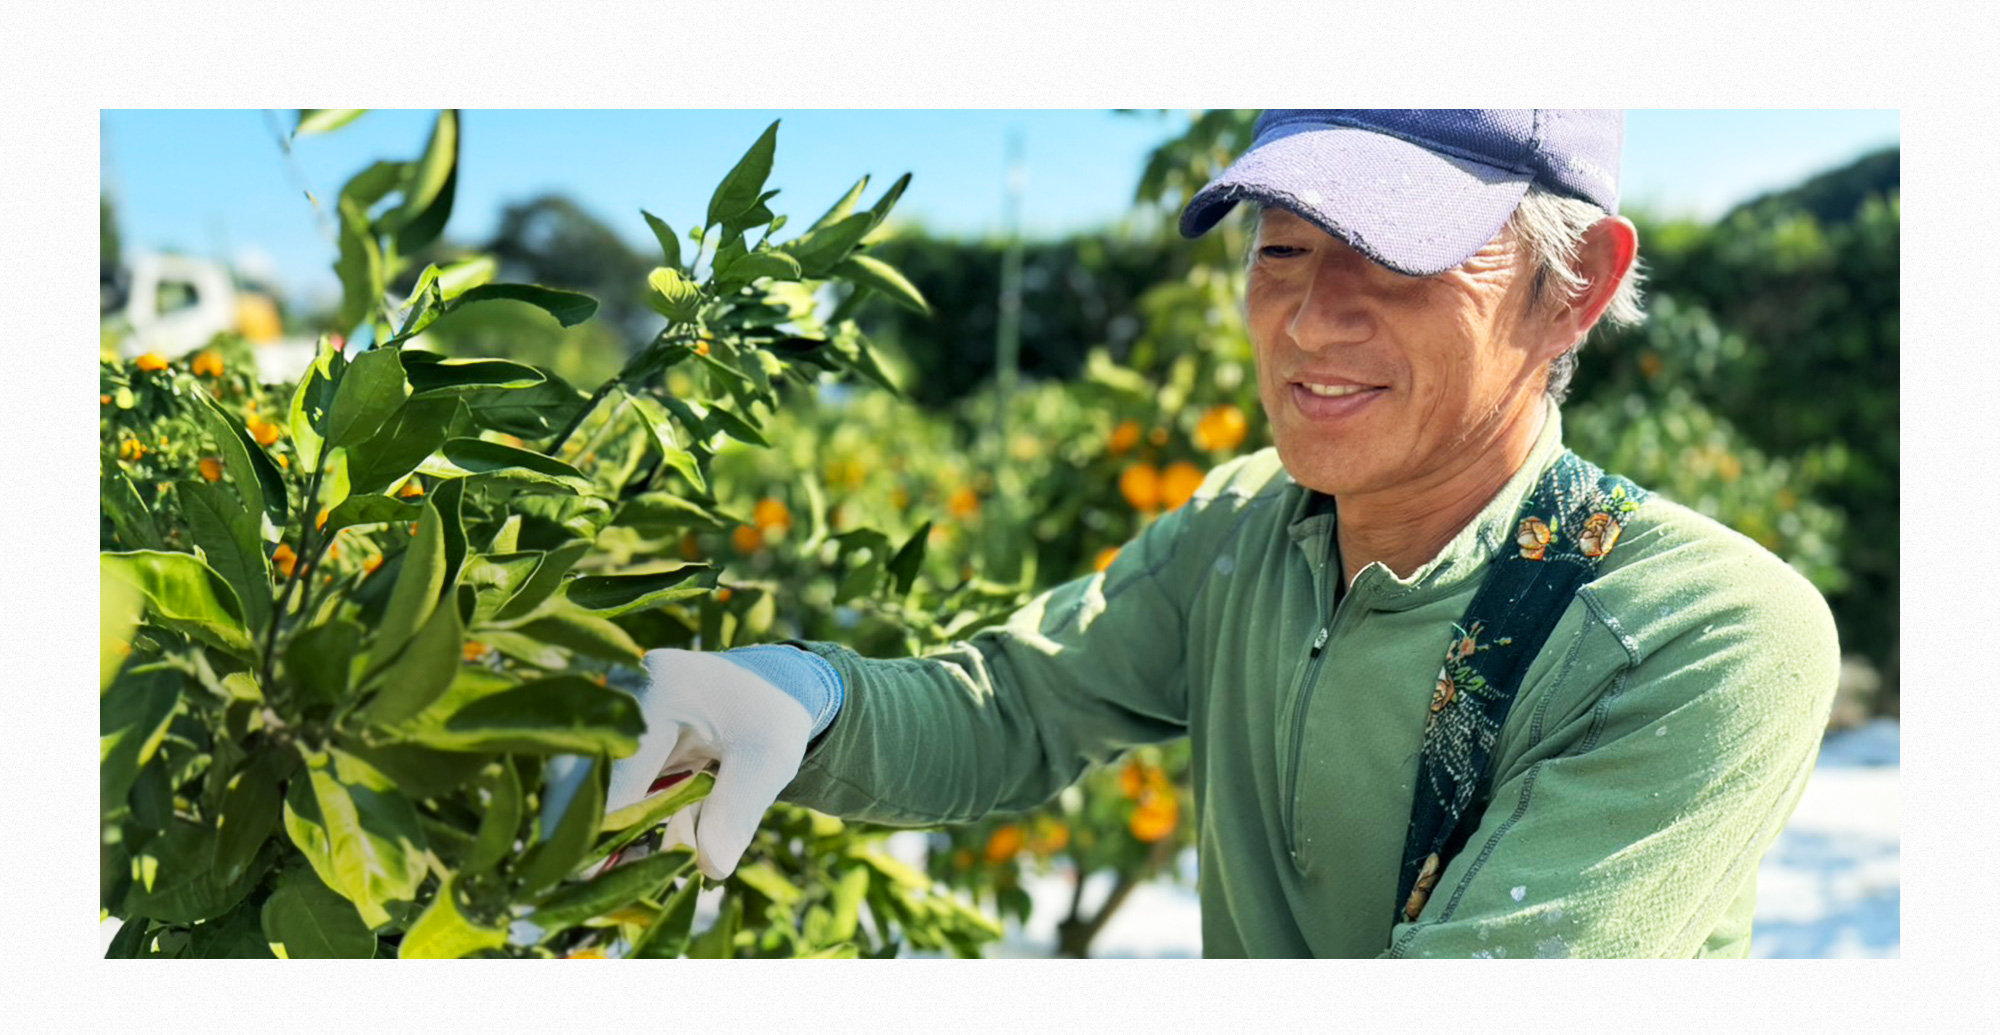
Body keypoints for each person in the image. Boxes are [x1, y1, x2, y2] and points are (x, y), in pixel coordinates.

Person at [567, 110, 1840, 958]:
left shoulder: (1691, 633)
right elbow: (1011, 708)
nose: (1306, 320)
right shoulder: (1243, 532)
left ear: (1575, 289)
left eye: (1394, 260)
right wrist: (806, 697)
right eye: (1280, 249)